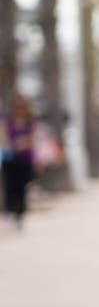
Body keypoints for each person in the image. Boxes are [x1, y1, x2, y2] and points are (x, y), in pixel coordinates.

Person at [1, 93, 36, 231]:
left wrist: (19, 143)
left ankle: (19, 215)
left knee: (22, 188)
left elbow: (32, 139)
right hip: (9, 159)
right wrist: (16, 143)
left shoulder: (29, 121)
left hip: (24, 160)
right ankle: (10, 212)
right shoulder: (7, 120)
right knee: (10, 186)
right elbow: (3, 136)